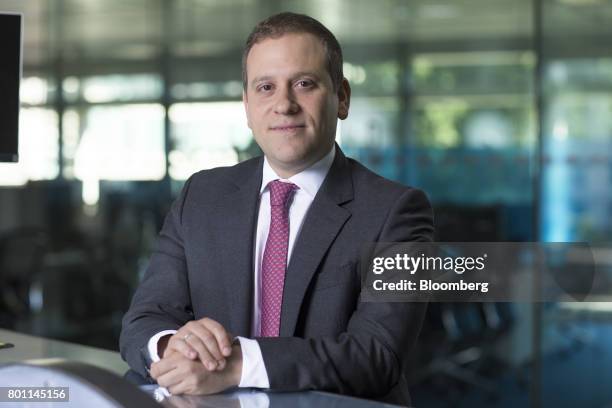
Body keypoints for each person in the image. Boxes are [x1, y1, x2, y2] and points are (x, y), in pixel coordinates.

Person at [120, 11, 434, 405]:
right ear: (247, 105)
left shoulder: (397, 211)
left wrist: (238, 364)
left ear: (342, 97)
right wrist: (171, 346)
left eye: (304, 84)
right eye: (265, 87)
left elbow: (378, 356)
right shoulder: (202, 196)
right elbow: (143, 320)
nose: (284, 104)